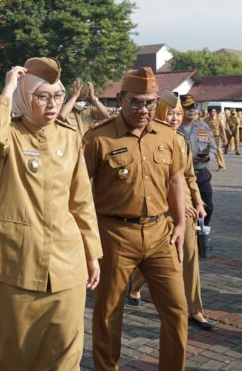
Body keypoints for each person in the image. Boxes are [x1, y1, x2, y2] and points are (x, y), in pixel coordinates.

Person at [0, 59, 102, 371]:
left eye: (57, 96)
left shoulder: (69, 136)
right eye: (42, 96)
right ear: (25, 97)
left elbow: (82, 201)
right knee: (14, 352)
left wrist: (92, 253)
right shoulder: (13, 135)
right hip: (16, 258)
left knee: (66, 350)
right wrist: (7, 88)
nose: (51, 104)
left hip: (67, 258)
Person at [84, 67, 188, 371]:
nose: (144, 110)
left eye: (151, 103)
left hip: (160, 233)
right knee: (108, 313)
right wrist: (86, 240)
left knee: (177, 310)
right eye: (137, 102)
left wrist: (180, 222)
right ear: (120, 99)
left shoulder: (168, 136)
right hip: (114, 234)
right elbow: (76, 190)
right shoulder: (98, 139)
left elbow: (175, 181)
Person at [128, 90, 214, 330]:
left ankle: (195, 309)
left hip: (184, 211)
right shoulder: (145, 138)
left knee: (188, 256)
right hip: (158, 209)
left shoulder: (180, 139)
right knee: (154, 256)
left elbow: (188, 176)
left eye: (178, 113)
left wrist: (197, 202)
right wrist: (175, 202)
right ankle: (135, 285)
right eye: (171, 113)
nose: (175, 118)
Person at [180, 94, 216, 226]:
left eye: (194, 107)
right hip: (182, 176)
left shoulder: (203, 127)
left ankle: (202, 236)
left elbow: (213, 147)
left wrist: (207, 157)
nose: (192, 110)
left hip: (201, 174)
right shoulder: (174, 128)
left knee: (208, 207)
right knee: (186, 210)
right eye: (187, 107)